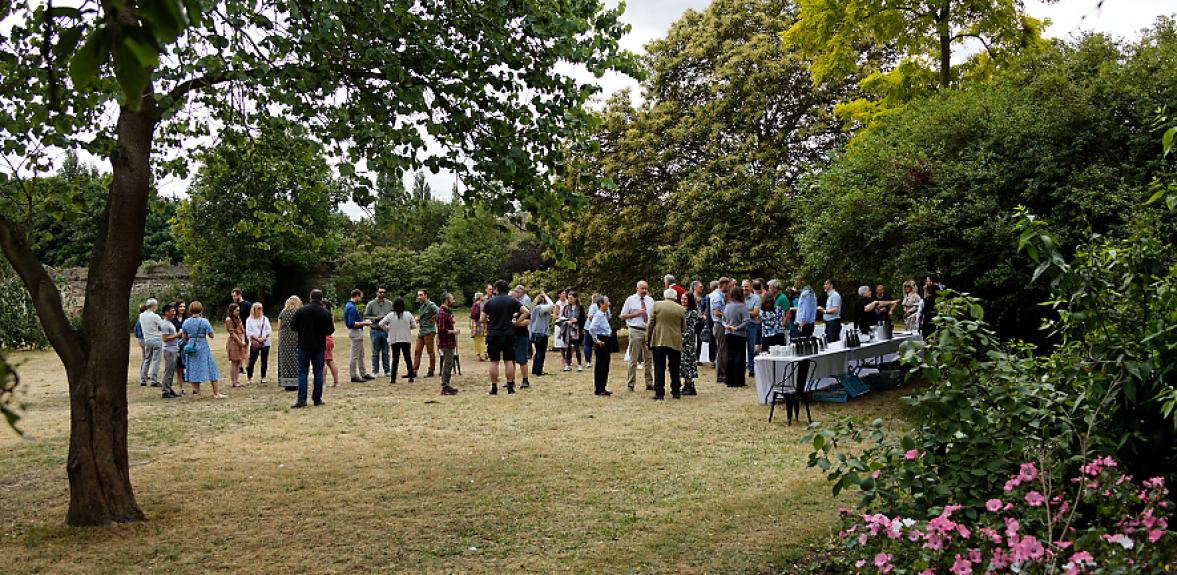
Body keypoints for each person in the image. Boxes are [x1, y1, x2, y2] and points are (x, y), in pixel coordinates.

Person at [480, 279, 528, 395]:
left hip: (494, 333)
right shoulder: (512, 301)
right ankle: (510, 387)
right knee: (508, 360)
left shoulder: (489, 302)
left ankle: (494, 387)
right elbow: (526, 312)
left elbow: (482, 319)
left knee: (494, 361)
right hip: (508, 333)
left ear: (496, 289)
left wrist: (490, 322)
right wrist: (516, 323)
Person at [289, 289, 334, 408]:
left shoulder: (301, 311)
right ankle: (317, 399)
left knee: (302, 372)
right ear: (321, 299)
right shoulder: (325, 313)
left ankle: (301, 400)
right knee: (318, 372)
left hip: (303, 345)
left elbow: (293, 326)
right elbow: (330, 330)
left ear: (310, 298)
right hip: (319, 346)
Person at [181, 301, 226, 399]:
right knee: (211, 368)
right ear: (201, 309)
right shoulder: (204, 321)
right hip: (203, 347)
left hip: (191, 347)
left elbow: (184, 337)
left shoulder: (186, 322)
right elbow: (211, 335)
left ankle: (198, 393)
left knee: (193, 369)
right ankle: (216, 393)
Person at [647, 288, 686, 400]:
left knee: (659, 366)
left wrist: (647, 339)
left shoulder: (657, 305)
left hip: (659, 340)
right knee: (674, 367)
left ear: (665, 296)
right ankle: (676, 392)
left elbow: (650, 324)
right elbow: (683, 328)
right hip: (675, 341)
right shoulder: (681, 309)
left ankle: (659, 393)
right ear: (675, 298)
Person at [620, 280, 656, 391]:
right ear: (637, 289)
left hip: (648, 330)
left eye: (646, 288)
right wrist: (635, 314)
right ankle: (630, 384)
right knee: (633, 358)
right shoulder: (630, 300)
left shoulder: (650, 301)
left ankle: (649, 383)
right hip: (635, 330)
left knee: (649, 358)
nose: (644, 291)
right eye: (642, 288)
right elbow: (622, 316)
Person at [379, 297, 418, 383]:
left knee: (395, 359)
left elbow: (381, 323)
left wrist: (388, 329)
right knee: (408, 358)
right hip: (405, 339)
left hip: (394, 339)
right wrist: (408, 328)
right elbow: (414, 326)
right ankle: (411, 377)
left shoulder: (390, 315)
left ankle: (393, 378)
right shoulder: (408, 314)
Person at [722, 285, 750, 387]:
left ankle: (729, 379)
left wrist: (727, 326)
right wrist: (737, 328)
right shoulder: (743, 306)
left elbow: (723, 320)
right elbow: (747, 321)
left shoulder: (728, 306)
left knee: (729, 356)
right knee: (739, 357)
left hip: (728, 333)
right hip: (739, 334)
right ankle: (738, 381)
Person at [344, 289, 374, 383]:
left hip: (356, 332)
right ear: (356, 295)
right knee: (355, 355)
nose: (360, 299)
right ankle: (353, 375)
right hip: (355, 332)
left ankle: (363, 373)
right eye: (360, 297)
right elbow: (352, 323)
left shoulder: (348, 305)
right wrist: (365, 323)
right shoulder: (352, 307)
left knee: (361, 354)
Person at [365, 287, 395, 378]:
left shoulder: (390, 304)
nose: (382, 294)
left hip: (386, 330)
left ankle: (387, 370)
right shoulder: (371, 304)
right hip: (375, 330)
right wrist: (375, 318)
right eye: (380, 292)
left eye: (383, 292)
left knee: (386, 352)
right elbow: (365, 316)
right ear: (376, 293)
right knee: (375, 352)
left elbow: (394, 315)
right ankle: (375, 371)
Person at [587, 295, 614, 396]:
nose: (608, 304)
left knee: (605, 365)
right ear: (601, 304)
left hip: (605, 339)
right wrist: (597, 340)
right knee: (601, 365)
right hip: (602, 340)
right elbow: (592, 328)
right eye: (607, 302)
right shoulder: (598, 315)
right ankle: (598, 389)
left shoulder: (603, 314)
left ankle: (603, 387)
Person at [436, 292, 461, 395]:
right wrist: (453, 331)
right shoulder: (442, 313)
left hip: (449, 342)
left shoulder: (446, 312)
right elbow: (441, 330)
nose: (453, 300)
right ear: (446, 300)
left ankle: (446, 385)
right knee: (447, 364)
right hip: (446, 342)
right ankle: (445, 386)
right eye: (452, 298)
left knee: (449, 364)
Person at [277, 296, 302, 391]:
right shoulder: (298, 312)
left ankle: (287, 383)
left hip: (284, 339)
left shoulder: (283, 312)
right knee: (295, 359)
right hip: (295, 337)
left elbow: (279, 327)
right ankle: (296, 383)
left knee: (285, 360)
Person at [529, 290, 555, 376]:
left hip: (535, 332)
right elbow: (551, 305)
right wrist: (545, 295)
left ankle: (535, 369)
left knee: (538, 351)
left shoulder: (534, 309)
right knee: (541, 352)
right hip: (541, 333)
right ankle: (539, 371)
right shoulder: (540, 308)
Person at [413, 289, 439, 378]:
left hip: (429, 331)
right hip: (422, 331)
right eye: (418, 295)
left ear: (426, 295)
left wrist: (434, 317)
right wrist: (418, 318)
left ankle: (431, 370)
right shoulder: (422, 306)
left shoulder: (431, 305)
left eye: (421, 295)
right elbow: (424, 315)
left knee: (430, 351)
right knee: (417, 350)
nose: (419, 297)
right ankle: (414, 370)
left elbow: (439, 312)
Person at [158, 304, 182, 399]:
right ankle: (165, 391)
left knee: (171, 371)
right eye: (172, 311)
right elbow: (165, 338)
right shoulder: (164, 324)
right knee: (168, 371)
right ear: (166, 312)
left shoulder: (169, 322)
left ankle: (169, 388)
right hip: (169, 350)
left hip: (174, 349)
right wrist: (177, 335)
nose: (174, 313)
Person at [138, 298, 164, 387]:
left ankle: (143, 379)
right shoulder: (155, 316)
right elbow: (162, 326)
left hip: (147, 339)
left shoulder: (141, 316)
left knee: (147, 359)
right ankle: (154, 380)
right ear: (153, 306)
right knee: (156, 360)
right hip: (156, 339)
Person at [709, 278, 731, 381]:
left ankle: (723, 374)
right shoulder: (717, 296)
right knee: (722, 351)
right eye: (728, 285)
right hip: (720, 325)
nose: (729, 287)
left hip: (720, 325)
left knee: (723, 350)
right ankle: (721, 375)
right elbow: (716, 312)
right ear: (723, 285)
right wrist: (729, 316)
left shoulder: (718, 295)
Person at [511, 287, 533, 388]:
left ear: (517, 297)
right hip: (510, 337)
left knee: (522, 360)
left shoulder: (522, 308)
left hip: (521, 336)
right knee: (510, 360)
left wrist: (516, 323)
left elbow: (527, 322)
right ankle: (510, 381)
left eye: (512, 297)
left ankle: (525, 381)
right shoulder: (506, 309)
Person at [246, 302, 272, 385]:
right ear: (254, 309)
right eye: (259, 308)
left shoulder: (265, 318)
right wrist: (257, 338)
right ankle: (249, 377)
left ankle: (263, 377)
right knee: (252, 360)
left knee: (264, 360)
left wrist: (264, 337)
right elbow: (248, 332)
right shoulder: (249, 320)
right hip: (255, 342)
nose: (260, 310)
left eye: (261, 308)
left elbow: (269, 330)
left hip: (265, 342)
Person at [680, 291, 700, 396]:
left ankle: (690, 385)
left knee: (688, 363)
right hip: (681, 342)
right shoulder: (682, 311)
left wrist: (682, 338)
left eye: (685, 299)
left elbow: (691, 330)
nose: (683, 300)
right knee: (683, 364)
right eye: (682, 298)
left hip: (688, 342)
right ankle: (686, 385)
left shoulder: (693, 312)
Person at [224, 304, 248, 387]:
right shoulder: (228, 319)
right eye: (236, 310)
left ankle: (237, 380)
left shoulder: (238, 319)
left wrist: (244, 341)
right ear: (232, 311)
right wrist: (240, 343)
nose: (238, 312)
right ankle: (234, 381)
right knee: (234, 362)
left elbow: (243, 330)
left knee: (239, 362)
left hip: (241, 341)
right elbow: (232, 333)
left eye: (239, 310)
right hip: (234, 343)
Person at [560, 291, 584, 372]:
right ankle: (567, 364)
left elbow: (583, 319)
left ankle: (579, 364)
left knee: (577, 347)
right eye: (569, 298)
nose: (570, 300)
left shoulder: (580, 307)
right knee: (568, 347)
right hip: (567, 329)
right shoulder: (566, 308)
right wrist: (567, 321)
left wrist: (576, 320)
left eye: (571, 298)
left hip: (576, 330)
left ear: (575, 298)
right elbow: (562, 318)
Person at [230, 288, 251, 376]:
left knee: (245, 349)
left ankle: (248, 367)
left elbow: (250, 318)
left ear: (239, 295)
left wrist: (248, 329)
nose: (233, 298)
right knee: (238, 350)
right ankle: (241, 368)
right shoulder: (233, 306)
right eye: (232, 296)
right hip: (236, 331)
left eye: (234, 296)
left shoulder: (247, 305)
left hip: (245, 330)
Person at [743, 279, 762, 378]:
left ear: (750, 287)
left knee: (751, 348)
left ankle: (752, 370)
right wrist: (749, 311)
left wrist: (743, 311)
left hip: (752, 325)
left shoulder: (756, 298)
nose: (744, 288)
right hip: (741, 326)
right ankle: (741, 369)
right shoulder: (739, 297)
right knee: (741, 349)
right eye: (743, 286)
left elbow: (755, 313)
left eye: (746, 286)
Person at [170, 301, 189, 394]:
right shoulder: (172, 320)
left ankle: (195, 387)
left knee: (190, 366)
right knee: (179, 368)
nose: (182, 308)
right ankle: (181, 388)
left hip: (187, 344)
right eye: (180, 306)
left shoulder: (188, 319)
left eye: (184, 306)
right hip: (177, 345)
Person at [324, 302, 340, 387]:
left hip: (323, 339)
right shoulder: (330, 315)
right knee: (330, 361)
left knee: (322, 362)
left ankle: (323, 383)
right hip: (329, 339)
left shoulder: (323, 315)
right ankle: (336, 382)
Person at [582, 293, 600, 368]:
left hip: (590, 327)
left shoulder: (593, 306)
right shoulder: (603, 306)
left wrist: (594, 323)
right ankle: (599, 360)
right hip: (599, 328)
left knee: (587, 344)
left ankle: (588, 361)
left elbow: (590, 317)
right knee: (597, 344)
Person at [470, 292, 487, 361]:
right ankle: (482, 354)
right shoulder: (478, 305)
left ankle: (480, 354)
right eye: (482, 296)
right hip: (479, 323)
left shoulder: (476, 305)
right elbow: (475, 315)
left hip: (477, 323)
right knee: (481, 339)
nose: (484, 297)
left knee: (478, 340)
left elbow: (472, 315)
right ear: (480, 297)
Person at [552, 289, 569, 356]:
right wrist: (563, 318)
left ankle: (568, 357)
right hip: (560, 324)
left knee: (569, 342)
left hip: (568, 323)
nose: (565, 294)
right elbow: (555, 316)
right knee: (561, 343)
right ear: (559, 295)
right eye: (563, 293)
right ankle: (564, 358)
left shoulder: (568, 302)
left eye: (565, 293)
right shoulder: (558, 303)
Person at [134, 303, 146, 377]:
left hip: (140, 339)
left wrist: (138, 336)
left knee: (144, 356)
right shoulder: (143, 319)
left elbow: (135, 329)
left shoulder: (139, 318)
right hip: (144, 338)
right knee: (146, 357)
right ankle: (143, 373)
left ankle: (143, 372)